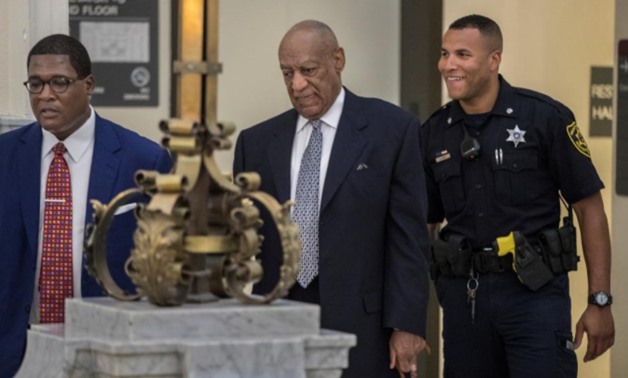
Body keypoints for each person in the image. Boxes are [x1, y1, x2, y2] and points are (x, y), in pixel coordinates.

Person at [233, 20, 431, 378]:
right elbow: (247, 235)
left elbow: (409, 237)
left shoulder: (392, 130)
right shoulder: (256, 142)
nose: (297, 85)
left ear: (338, 59)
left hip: (364, 325)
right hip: (278, 318)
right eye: (287, 73)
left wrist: (407, 324)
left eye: (308, 70)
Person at [421, 14, 614, 378]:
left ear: (494, 60)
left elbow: (590, 210)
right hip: (466, 303)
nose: (449, 65)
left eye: (463, 54)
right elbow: (425, 223)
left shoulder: (545, 118)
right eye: (445, 54)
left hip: (534, 297)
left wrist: (599, 301)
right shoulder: (433, 133)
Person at [0, 34, 172, 376]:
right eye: (35, 84)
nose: (45, 95)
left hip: (109, 350)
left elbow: (164, 265)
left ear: (88, 84)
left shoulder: (144, 160)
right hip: (17, 352)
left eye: (59, 83)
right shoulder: (5, 156)